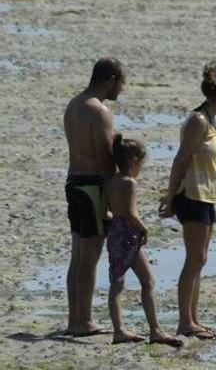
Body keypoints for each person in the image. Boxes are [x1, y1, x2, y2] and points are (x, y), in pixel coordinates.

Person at [159, 65, 216, 339]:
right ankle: (185, 322)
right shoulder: (198, 120)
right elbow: (180, 160)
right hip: (191, 195)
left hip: (207, 196)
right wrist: (170, 198)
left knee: (201, 259)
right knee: (194, 258)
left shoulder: (210, 119)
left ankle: (193, 319)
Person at [63, 57, 125, 336]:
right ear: (110, 79)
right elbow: (104, 157)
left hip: (74, 181)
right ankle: (83, 321)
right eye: (120, 83)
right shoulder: (98, 110)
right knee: (90, 256)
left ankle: (74, 318)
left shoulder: (74, 105)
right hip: (92, 186)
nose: (120, 90)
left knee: (77, 254)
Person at [105, 135, 182, 347]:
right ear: (134, 161)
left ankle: (119, 329)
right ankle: (155, 330)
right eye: (142, 164)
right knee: (148, 282)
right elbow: (131, 213)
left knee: (116, 283)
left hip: (114, 232)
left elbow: (108, 211)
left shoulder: (111, 181)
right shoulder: (129, 183)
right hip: (128, 234)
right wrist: (144, 228)